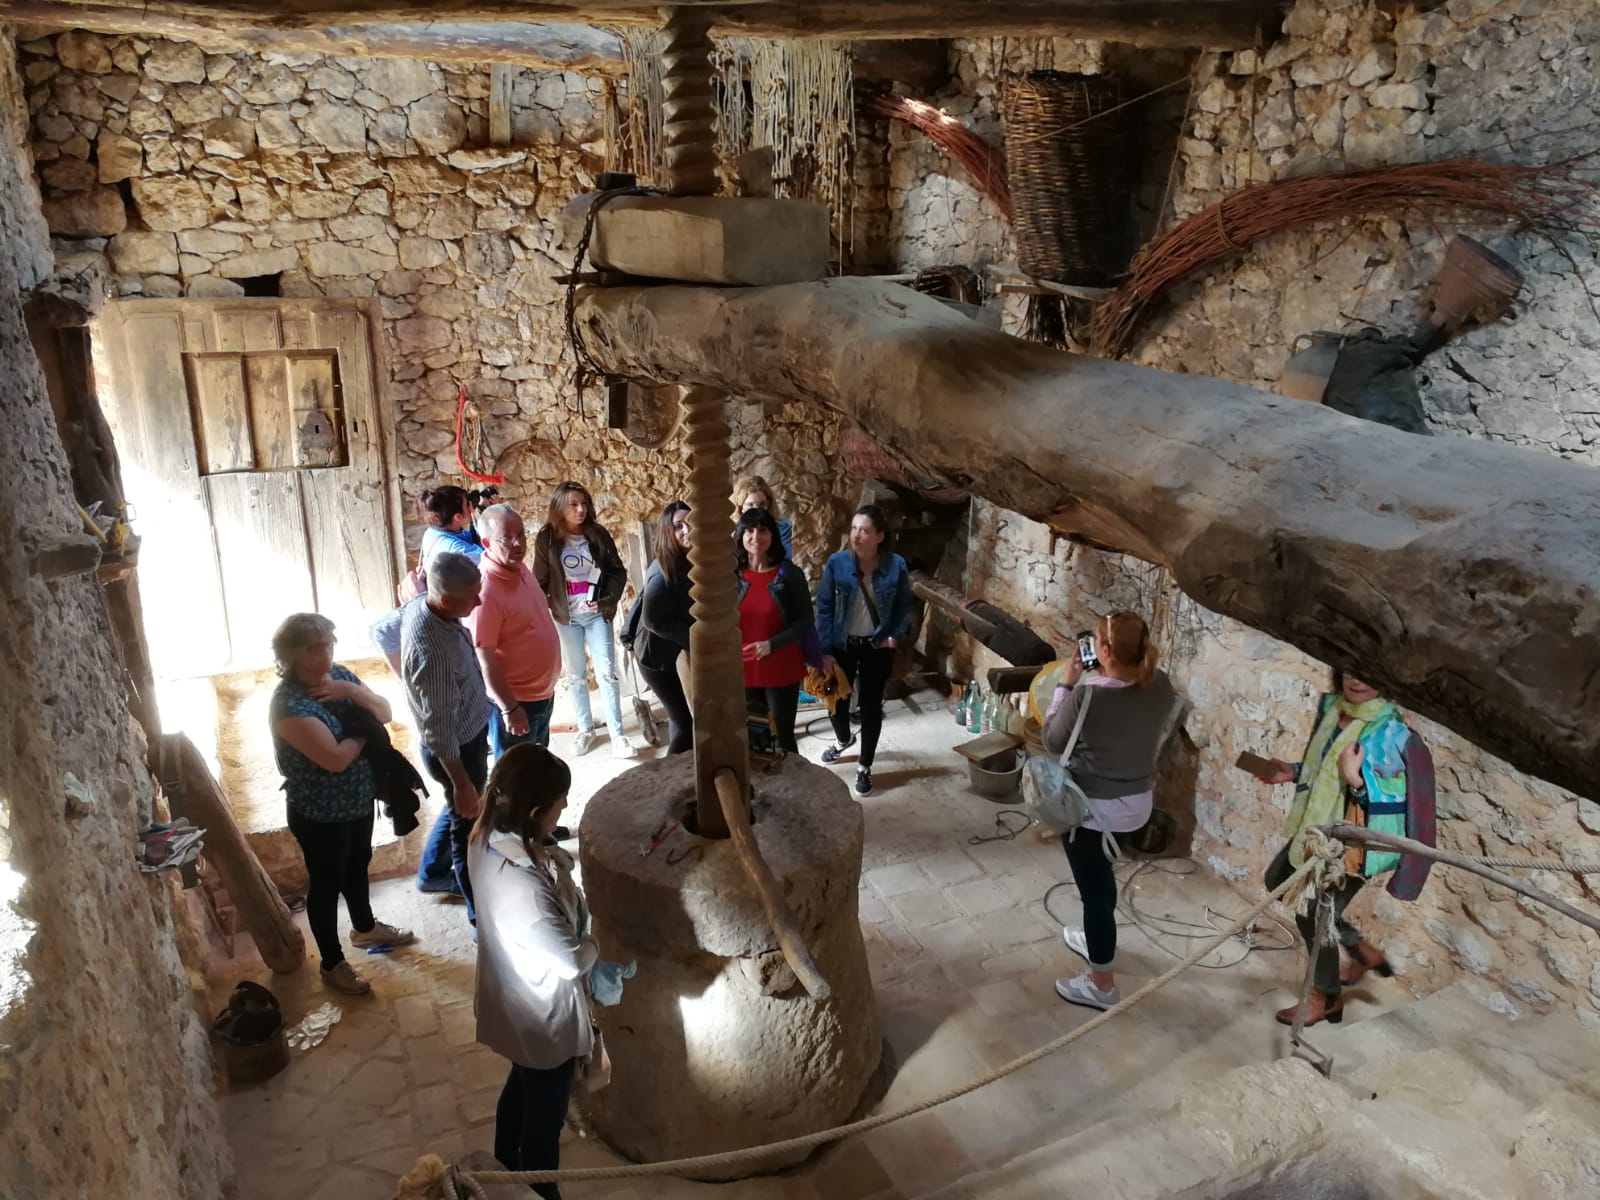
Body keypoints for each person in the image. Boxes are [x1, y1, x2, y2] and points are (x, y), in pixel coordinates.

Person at [1255, 672, 1437, 1027]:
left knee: (1313, 917)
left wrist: (1357, 781)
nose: (1358, 680)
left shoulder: (1395, 737)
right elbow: (1322, 765)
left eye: (1370, 672)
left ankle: (1323, 997)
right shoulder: (1334, 709)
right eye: (1351, 668)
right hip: (1316, 830)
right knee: (1277, 878)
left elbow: (1400, 809)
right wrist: (1291, 771)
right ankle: (1358, 948)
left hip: (1349, 848)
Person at [470, 744, 594, 1199]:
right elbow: (570, 960)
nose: (565, 808)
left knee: (522, 1085)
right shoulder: (522, 887)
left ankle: (504, 1168)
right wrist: (600, 936)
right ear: (536, 810)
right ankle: (541, 1193)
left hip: (512, 993)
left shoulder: (484, 836)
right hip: (541, 1013)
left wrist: (545, 852)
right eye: (560, 803)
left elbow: (527, 852)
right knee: (544, 1124)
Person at [269, 613, 415, 994]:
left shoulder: (341, 678)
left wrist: (353, 696)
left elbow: (384, 713)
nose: (323, 656)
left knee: (358, 865)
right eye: (312, 649)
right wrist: (366, 731)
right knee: (326, 883)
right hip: (319, 813)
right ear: (290, 656)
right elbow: (335, 758)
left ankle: (365, 929)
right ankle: (332, 963)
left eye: (328, 646)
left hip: (357, 800)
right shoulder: (288, 707)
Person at [1043, 611, 1177, 1012]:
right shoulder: (1162, 684)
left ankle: (1102, 983)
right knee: (1102, 879)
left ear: (1102, 649)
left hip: (1091, 812)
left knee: (1095, 894)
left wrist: (1066, 685)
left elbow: (1052, 739)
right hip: (1137, 805)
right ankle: (1094, 938)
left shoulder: (1089, 696)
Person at [371, 552, 494, 925]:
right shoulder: (432, 653)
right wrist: (461, 782)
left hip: (465, 733)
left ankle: (430, 873)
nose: (478, 601)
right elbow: (438, 730)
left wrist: (403, 678)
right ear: (444, 600)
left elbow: (380, 630)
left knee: (461, 809)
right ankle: (479, 914)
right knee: (466, 826)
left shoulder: (417, 607)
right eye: (471, 597)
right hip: (456, 749)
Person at [814, 505, 913, 796]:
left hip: (875, 646)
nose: (857, 535)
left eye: (865, 530)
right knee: (836, 703)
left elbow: (904, 608)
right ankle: (843, 740)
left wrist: (894, 637)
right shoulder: (837, 563)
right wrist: (824, 651)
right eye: (854, 528)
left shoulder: (896, 566)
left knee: (871, 708)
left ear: (880, 536)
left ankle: (864, 767)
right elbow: (824, 609)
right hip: (842, 645)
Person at [532, 482, 634, 760]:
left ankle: (618, 735)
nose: (580, 510)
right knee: (576, 675)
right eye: (573, 505)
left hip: (597, 614)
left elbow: (617, 572)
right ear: (560, 508)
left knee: (608, 673)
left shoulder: (597, 534)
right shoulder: (547, 539)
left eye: (584, 504)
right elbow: (538, 582)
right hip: (567, 617)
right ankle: (586, 729)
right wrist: (542, 615)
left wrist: (606, 601)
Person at [471, 504, 562, 760]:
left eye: (521, 534)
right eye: (507, 538)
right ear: (487, 542)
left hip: (542, 695)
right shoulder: (486, 590)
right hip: (517, 702)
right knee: (512, 781)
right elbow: (484, 657)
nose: (518, 543)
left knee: (536, 766)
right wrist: (509, 708)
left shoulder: (519, 568)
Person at [734, 507, 812, 753]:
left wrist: (771, 645)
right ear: (740, 535)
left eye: (762, 530)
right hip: (745, 665)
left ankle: (792, 788)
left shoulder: (788, 574)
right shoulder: (732, 575)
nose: (755, 536)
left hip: (781, 665)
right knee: (755, 736)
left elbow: (805, 622)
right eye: (749, 530)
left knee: (783, 737)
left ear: (773, 535)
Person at [631, 501, 695, 755]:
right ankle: (671, 778)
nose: (686, 531)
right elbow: (653, 620)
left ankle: (681, 775)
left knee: (683, 720)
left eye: (690, 524)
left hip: (673, 653)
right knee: (684, 722)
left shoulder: (688, 560)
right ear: (667, 532)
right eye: (678, 526)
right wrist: (694, 639)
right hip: (655, 658)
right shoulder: (663, 571)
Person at [733, 474, 794, 560]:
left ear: (769, 504)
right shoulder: (730, 529)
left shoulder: (783, 526)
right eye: (750, 505)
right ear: (740, 507)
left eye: (762, 504)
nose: (757, 510)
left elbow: (785, 558)